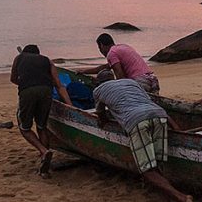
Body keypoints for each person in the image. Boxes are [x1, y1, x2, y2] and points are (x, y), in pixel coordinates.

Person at [92, 77, 202, 202]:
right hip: (159, 116)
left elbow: (101, 115)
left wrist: (104, 120)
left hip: (136, 121)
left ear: (98, 83)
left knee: (146, 170)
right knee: (156, 167)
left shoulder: (98, 90)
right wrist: (179, 131)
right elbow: (149, 101)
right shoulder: (130, 82)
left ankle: (182, 199)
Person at [10, 44, 72, 177]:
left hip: (28, 92)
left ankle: (43, 151)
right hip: (46, 91)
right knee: (42, 126)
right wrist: (70, 106)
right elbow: (59, 85)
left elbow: (13, 79)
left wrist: (26, 82)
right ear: (38, 54)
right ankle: (45, 167)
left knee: (25, 128)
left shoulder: (19, 58)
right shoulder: (47, 60)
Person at [82, 33, 159, 93]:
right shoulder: (123, 47)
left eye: (99, 48)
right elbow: (104, 67)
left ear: (101, 45)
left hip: (140, 81)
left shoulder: (111, 53)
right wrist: (84, 72)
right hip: (152, 79)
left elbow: (120, 77)